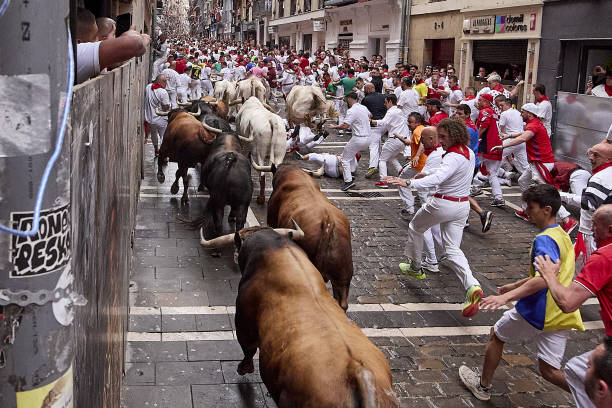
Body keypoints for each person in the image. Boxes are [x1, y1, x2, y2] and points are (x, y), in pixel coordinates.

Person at [459, 184, 584, 401]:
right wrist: (514, 286)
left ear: (546, 209)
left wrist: (505, 297)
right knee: (549, 371)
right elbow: (551, 273)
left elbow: (544, 280)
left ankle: (483, 386)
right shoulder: (562, 235)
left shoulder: (544, 240)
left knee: (496, 335)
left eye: (531, 208)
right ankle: (592, 396)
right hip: (562, 313)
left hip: (538, 311)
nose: (527, 211)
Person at [386, 119, 483, 317]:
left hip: (442, 203)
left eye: (444, 137)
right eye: (440, 136)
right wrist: (426, 173)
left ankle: (415, 266)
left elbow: (440, 178)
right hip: (462, 206)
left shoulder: (452, 156)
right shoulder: (468, 152)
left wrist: (408, 182)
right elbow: (442, 172)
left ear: (454, 135)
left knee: (415, 227)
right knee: (452, 249)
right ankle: (472, 286)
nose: (441, 140)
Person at [533, 204, 612, 408]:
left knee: (584, 375)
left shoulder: (604, 257)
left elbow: (567, 303)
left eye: (595, 225)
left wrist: (550, 275)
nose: (591, 229)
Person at [495, 103, 578, 234]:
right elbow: (524, 133)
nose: (521, 114)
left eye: (522, 112)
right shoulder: (534, 123)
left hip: (541, 163)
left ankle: (567, 219)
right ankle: (526, 211)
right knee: (523, 181)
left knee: (547, 192)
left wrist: (503, 146)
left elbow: (523, 137)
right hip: (538, 162)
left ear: (529, 113)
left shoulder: (533, 124)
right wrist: (509, 136)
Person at [559, 142, 612, 264]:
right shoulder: (606, 173)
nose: (591, 157)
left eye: (596, 155)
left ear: (609, 159)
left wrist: (562, 196)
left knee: (579, 270)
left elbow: (589, 204)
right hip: (597, 234)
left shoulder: (601, 177)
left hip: (591, 236)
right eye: (590, 153)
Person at [76, 7, 151, 84]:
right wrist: (143, 38)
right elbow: (136, 44)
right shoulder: (75, 54)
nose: (98, 40)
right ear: (78, 42)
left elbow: (116, 63)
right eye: (95, 37)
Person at [454, 106, 494, 233]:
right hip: (470, 162)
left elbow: (461, 147)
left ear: (467, 115)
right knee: (461, 191)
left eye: (460, 113)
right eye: (456, 112)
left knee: (461, 191)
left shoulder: (467, 129)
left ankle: (481, 213)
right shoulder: (467, 125)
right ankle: (464, 218)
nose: (456, 115)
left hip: (468, 163)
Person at [329, 92, 372, 191]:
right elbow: (370, 116)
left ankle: (348, 181)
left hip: (358, 138)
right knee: (350, 155)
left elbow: (345, 126)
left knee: (345, 159)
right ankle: (350, 172)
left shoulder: (351, 110)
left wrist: (334, 127)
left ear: (349, 99)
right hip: (368, 138)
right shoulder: (363, 107)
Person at [373, 108, 420, 191]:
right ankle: (400, 171)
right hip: (401, 141)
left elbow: (383, 122)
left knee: (382, 160)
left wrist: (371, 121)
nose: (384, 105)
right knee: (392, 157)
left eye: (386, 102)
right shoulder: (400, 113)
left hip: (394, 139)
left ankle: (383, 181)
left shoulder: (392, 112)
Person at [474, 94, 504, 207]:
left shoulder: (485, 111)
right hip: (496, 146)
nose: (478, 102)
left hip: (486, 145)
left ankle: (473, 188)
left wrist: (475, 138)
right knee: (492, 173)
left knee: (472, 165)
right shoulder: (494, 112)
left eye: (480, 100)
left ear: (486, 101)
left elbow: (483, 126)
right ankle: (498, 197)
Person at [362, 83, 387, 180]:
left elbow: (364, 113)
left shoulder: (366, 99)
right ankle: (381, 162)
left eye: (365, 89)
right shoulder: (384, 96)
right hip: (384, 124)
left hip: (374, 125)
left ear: (368, 89)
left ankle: (373, 166)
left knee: (373, 146)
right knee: (379, 143)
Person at [143, 75, 170, 157]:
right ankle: (163, 154)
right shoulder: (163, 92)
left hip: (149, 118)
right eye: (164, 81)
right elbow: (165, 108)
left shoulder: (148, 87)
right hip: (160, 118)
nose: (166, 83)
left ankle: (156, 150)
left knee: (154, 134)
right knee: (163, 136)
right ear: (158, 81)